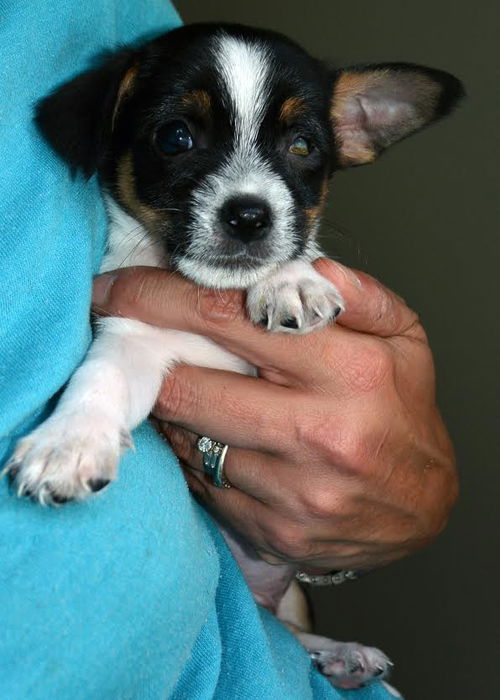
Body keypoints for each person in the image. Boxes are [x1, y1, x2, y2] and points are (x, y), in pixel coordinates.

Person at [0, 1, 457, 698]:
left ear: (351, 134)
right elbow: (128, 354)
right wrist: (85, 422)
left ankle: (295, 639)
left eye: (299, 146)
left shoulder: (303, 287)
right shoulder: (118, 274)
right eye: (179, 138)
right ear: (110, 128)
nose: (249, 196)